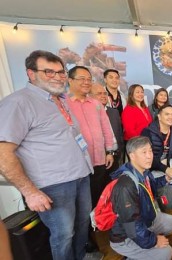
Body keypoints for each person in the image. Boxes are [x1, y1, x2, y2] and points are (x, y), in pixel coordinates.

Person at [0, 50, 93, 259]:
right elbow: (3, 152)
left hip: (80, 177)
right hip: (53, 185)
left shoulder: (60, 99)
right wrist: (30, 192)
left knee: (82, 225)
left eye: (61, 72)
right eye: (49, 72)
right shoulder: (18, 103)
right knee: (64, 235)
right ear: (31, 74)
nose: (58, 77)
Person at [109, 136, 172, 260]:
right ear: (132, 156)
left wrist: (165, 179)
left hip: (144, 221)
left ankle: (142, 250)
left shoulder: (142, 171)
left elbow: (150, 187)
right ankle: (131, 255)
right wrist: (154, 240)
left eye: (150, 151)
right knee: (166, 253)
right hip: (125, 237)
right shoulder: (125, 186)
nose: (149, 156)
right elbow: (132, 227)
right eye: (144, 152)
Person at [67, 66, 115, 208]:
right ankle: (86, 228)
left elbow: (106, 129)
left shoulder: (96, 104)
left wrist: (109, 151)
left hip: (99, 159)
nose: (86, 82)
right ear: (70, 80)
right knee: (81, 202)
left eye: (89, 79)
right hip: (78, 163)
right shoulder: (64, 104)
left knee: (97, 195)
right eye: (82, 79)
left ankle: (97, 225)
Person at [141, 105, 172, 179]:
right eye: (167, 114)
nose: (170, 117)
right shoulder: (147, 132)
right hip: (149, 170)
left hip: (166, 167)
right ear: (159, 117)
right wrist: (165, 169)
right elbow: (146, 157)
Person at [90, 83, 124, 170]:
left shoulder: (114, 112)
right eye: (99, 94)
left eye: (105, 93)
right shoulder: (89, 114)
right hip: (100, 158)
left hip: (116, 156)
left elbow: (119, 133)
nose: (103, 96)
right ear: (89, 96)